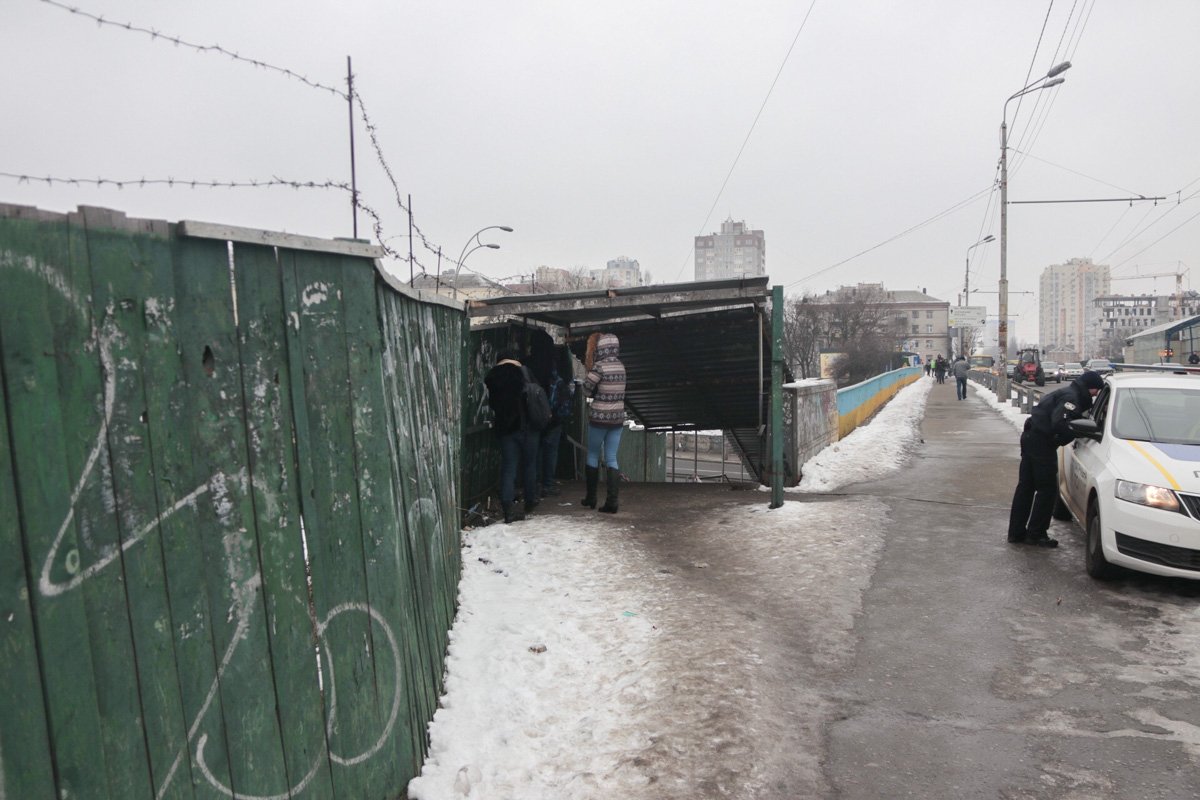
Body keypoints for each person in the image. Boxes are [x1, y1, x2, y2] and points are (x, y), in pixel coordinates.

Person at [1007, 369, 1105, 547]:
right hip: (1041, 443)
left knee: (1026, 488)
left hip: (1031, 438)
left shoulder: (1067, 392)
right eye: (1096, 390)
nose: (1096, 395)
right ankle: (1036, 534)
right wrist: (1064, 438)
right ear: (1090, 387)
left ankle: (1016, 532)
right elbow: (1060, 424)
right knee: (1047, 489)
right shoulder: (1072, 398)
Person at [484, 349, 539, 523]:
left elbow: (493, 404)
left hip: (505, 429)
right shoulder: (523, 373)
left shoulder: (492, 377)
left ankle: (508, 509)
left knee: (509, 467)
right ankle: (530, 501)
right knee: (530, 464)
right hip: (526, 426)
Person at [580, 332, 626, 514]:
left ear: (602, 348)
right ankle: (612, 502)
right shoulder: (621, 367)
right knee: (612, 458)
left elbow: (585, 390)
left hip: (599, 418)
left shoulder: (599, 367)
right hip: (617, 419)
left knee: (592, 454)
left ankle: (591, 497)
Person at [528, 329, 568, 499]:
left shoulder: (528, 365)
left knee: (535, 451)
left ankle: (535, 484)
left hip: (534, 415)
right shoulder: (556, 363)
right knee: (550, 451)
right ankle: (548, 485)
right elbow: (565, 387)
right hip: (554, 415)